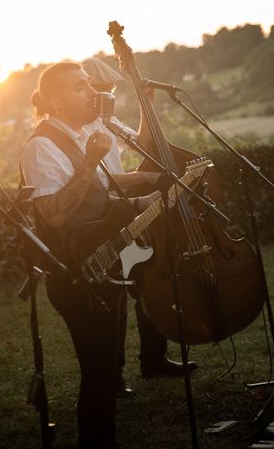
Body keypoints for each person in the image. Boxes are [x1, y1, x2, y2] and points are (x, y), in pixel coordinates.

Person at [19, 62, 163, 449]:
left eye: (88, 84)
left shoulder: (88, 132)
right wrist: (87, 162)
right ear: (56, 102)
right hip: (75, 276)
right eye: (80, 87)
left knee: (105, 370)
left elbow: (103, 193)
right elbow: (53, 213)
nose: (91, 92)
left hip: (106, 261)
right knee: (98, 374)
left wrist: (152, 180)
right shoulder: (41, 146)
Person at [81, 58, 198, 393]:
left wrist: (147, 103)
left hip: (124, 212)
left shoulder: (108, 121)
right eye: (101, 90)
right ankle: (113, 375)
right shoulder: (79, 129)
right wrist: (143, 177)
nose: (106, 96)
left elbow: (143, 143)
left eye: (111, 91)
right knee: (114, 291)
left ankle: (154, 359)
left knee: (148, 278)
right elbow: (97, 179)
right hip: (100, 217)